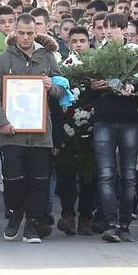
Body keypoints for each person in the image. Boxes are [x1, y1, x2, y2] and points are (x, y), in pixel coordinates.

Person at [0, 14, 65, 243]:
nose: (25, 37)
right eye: (21, 32)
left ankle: (32, 224)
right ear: (15, 31)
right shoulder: (3, 59)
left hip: (41, 133)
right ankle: (14, 215)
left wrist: (52, 87)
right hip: (12, 133)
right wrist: (2, 122)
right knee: (13, 179)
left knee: (40, 179)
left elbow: (62, 90)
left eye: (30, 33)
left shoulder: (48, 58)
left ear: (36, 33)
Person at [85, 13, 138, 243]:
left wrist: (133, 85)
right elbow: (85, 96)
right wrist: (94, 87)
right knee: (106, 174)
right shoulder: (96, 54)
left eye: (113, 27)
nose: (108, 31)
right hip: (104, 121)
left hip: (129, 121)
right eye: (104, 28)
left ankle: (125, 224)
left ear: (124, 30)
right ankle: (110, 223)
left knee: (128, 175)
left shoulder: (134, 53)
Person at [55, 26, 96, 236]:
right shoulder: (61, 67)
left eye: (82, 41)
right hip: (68, 126)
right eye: (74, 41)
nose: (78, 45)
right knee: (66, 174)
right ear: (68, 44)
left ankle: (86, 218)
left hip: (91, 126)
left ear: (89, 42)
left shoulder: (97, 66)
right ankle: (68, 215)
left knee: (90, 175)